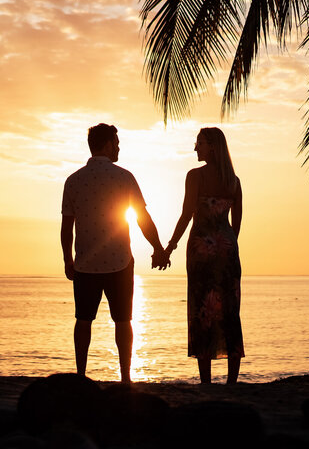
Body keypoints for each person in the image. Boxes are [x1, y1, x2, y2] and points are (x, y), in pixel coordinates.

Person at [62, 123, 169, 383]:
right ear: (108, 143)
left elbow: (67, 226)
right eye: (117, 142)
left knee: (83, 319)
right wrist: (158, 249)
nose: (119, 146)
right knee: (123, 321)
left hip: (85, 263)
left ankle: (80, 374)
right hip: (119, 262)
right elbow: (142, 218)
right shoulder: (124, 177)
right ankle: (125, 377)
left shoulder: (73, 180)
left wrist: (68, 259)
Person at [161, 127, 244, 384]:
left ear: (211, 147)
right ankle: (232, 381)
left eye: (199, 143)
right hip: (227, 249)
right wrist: (226, 245)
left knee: (202, 310)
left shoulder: (195, 176)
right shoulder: (234, 181)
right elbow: (236, 222)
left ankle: (206, 381)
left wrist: (170, 247)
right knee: (230, 311)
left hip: (200, 249)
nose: (195, 147)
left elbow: (187, 215)